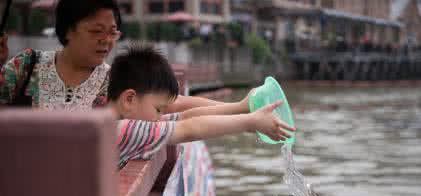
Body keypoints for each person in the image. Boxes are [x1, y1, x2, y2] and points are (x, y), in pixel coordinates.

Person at [0, 0, 247, 111]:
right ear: (67, 30)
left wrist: (239, 108)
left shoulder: (116, 80)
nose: (106, 41)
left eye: (112, 32)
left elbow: (175, 103)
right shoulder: (26, 66)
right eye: (96, 31)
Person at [108, 46, 295, 169]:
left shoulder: (129, 120)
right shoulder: (121, 129)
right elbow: (189, 129)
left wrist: (242, 107)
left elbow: (186, 117)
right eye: (159, 109)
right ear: (129, 99)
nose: (161, 116)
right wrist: (250, 122)